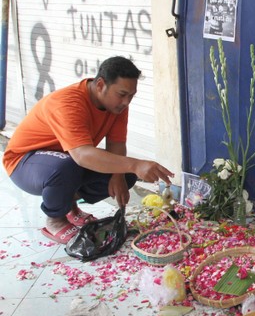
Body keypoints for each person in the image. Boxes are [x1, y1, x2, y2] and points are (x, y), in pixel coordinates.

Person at [2, 56, 174, 244]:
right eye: (122, 94)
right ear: (100, 85)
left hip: (66, 161)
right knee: (68, 165)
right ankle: (55, 220)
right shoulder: (68, 102)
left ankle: (70, 208)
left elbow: (116, 145)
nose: (127, 102)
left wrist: (119, 176)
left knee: (126, 176)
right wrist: (136, 164)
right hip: (24, 162)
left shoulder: (117, 107)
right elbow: (82, 155)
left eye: (131, 96)